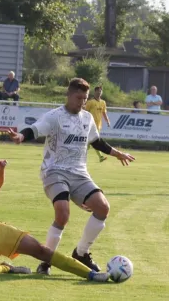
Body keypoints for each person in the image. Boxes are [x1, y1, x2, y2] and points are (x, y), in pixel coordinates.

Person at [8, 78, 135, 275]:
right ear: (68, 95)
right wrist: (21, 136)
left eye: (84, 99)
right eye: (78, 98)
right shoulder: (54, 116)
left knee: (103, 207)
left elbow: (97, 142)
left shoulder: (87, 118)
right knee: (62, 213)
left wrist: (117, 153)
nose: (82, 102)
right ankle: (46, 261)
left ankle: (81, 253)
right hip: (54, 171)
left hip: (79, 172)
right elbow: (35, 129)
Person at [85, 86, 111, 163]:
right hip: (90, 125)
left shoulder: (103, 102)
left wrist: (107, 121)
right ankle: (100, 156)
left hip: (98, 125)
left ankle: (80, 154)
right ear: (95, 92)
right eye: (98, 91)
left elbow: (104, 113)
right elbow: (85, 112)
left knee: (91, 142)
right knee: (94, 141)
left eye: (100, 91)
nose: (99, 92)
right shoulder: (90, 102)